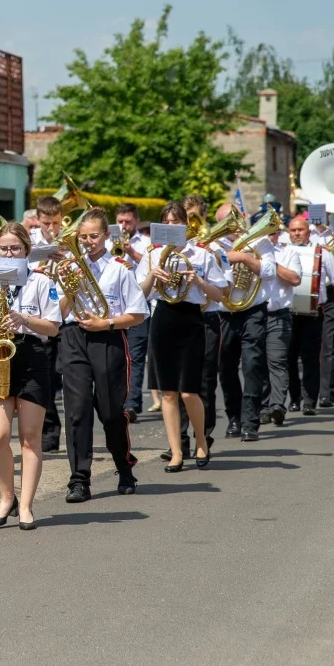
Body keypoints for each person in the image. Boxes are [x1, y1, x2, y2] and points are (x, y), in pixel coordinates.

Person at [0, 222, 62, 529]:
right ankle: (6, 496)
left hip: (32, 356)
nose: (9, 253)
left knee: (30, 438)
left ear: (26, 250)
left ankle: (25, 505)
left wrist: (24, 319)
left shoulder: (40, 281)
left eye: (15, 248)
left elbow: (53, 327)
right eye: (4, 248)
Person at [57, 208, 148, 502]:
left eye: (93, 236)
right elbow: (58, 314)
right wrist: (65, 287)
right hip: (73, 337)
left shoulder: (120, 269)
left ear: (107, 236)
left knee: (110, 411)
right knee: (77, 409)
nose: (87, 241)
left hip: (107, 338)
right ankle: (79, 479)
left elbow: (137, 314)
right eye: (82, 237)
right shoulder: (71, 267)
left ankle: (124, 467)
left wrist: (105, 323)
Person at [138, 202, 227, 471]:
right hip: (163, 317)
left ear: (186, 226)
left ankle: (201, 440)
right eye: (168, 223)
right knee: (167, 392)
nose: (173, 227)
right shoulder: (152, 255)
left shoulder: (200, 254)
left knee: (189, 391)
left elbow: (220, 295)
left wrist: (198, 282)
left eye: (178, 222)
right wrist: (152, 277)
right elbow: (138, 295)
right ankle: (176, 451)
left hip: (190, 318)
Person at [212, 202, 277, 442]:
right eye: (225, 223)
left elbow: (270, 270)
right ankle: (234, 417)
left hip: (252, 310)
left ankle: (251, 421)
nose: (232, 228)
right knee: (225, 368)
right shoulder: (213, 245)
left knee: (252, 365)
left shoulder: (259, 242)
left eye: (235, 220)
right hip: (223, 313)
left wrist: (243, 258)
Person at [286, 216, 334, 415]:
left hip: (314, 312)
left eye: (300, 230)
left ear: (309, 232)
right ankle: (295, 397)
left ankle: (309, 400)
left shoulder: (323, 254)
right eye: (293, 230)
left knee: (311, 358)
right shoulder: (282, 253)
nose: (296, 233)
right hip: (287, 314)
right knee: (288, 358)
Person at [31, 196, 67, 452]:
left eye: (55, 222)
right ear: (38, 220)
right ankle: (49, 432)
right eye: (46, 223)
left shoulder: (68, 239)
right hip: (40, 314)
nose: (51, 228)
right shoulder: (29, 242)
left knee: (62, 376)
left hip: (65, 312)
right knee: (45, 377)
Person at [259, 220, 301, 426]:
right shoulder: (251, 253)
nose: (268, 237)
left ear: (277, 235)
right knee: (258, 364)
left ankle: (277, 405)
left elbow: (294, 279)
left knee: (276, 361)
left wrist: (270, 263)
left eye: (271, 233)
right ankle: (263, 407)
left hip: (278, 314)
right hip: (255, 314)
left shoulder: (287, 253)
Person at [115, 203, 151, 422]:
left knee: (136, 357)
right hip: (115, 309)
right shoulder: (109, 241)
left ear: (136, 221)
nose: (124, 225)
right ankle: (119, 399)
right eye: (120, 221)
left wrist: (132, 252)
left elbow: (149, 266)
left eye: (127, 221)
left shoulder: (146, 243)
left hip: (137, 306)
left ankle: (132, 403)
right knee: (118, 357)